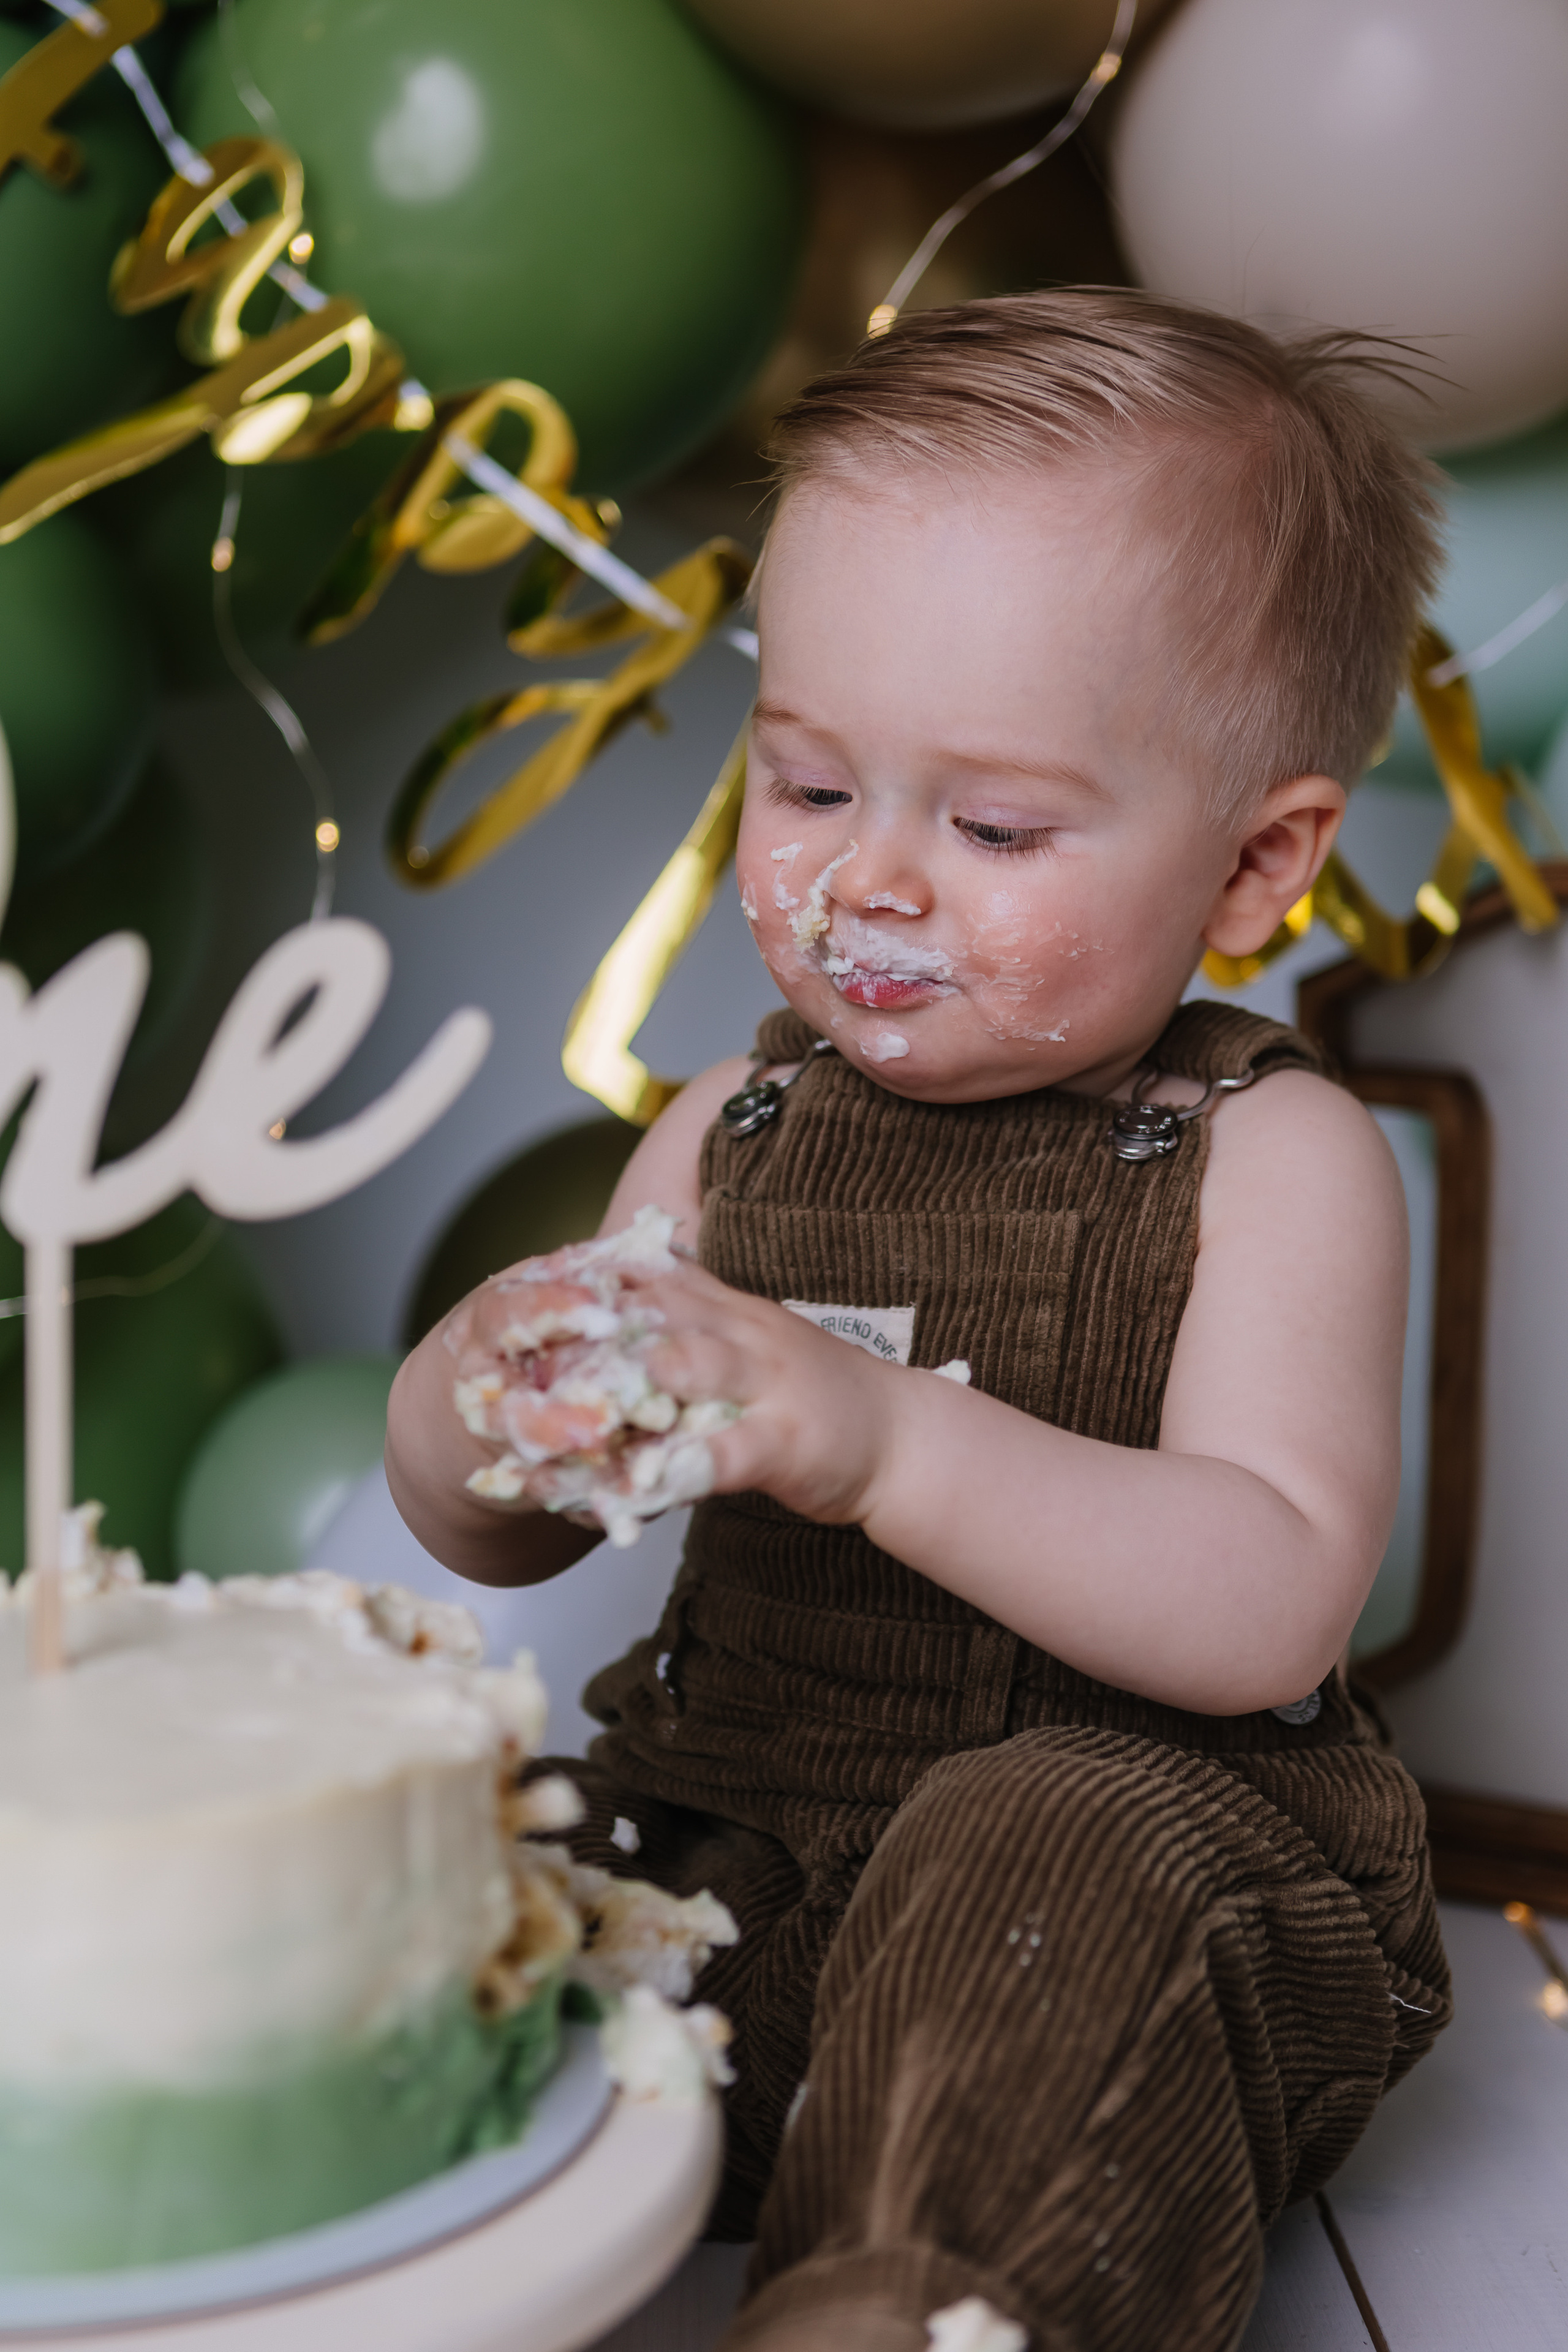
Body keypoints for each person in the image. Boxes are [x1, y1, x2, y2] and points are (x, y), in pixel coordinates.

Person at [386, 290, 1452, 2352]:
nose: (870, 885)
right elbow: (505, 1523)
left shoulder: (1271, 1152)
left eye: (994, 828)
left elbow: (1267, 1609)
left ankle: (913, 2309)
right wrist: (477, 1398)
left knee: (1054, 1843)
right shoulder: (730, 1129)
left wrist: (871, 1436)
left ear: (1255, 866)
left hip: (1120, 1919)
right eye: (807, 789)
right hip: (733, 1852)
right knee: (441, 1860)